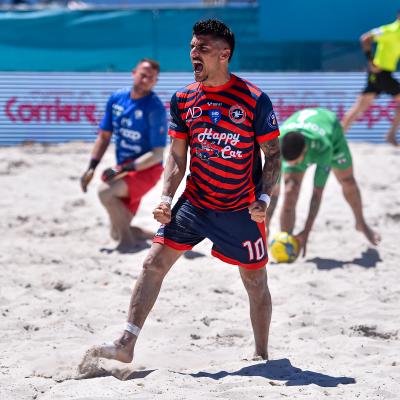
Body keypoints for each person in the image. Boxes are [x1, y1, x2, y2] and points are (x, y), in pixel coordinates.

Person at [79, 19, 281, 368]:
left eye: (202, 48)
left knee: (254, 280)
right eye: (191, 47)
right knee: (152, 263)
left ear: (224, 54)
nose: (193, 54)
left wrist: (263, 199)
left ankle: (261, 354)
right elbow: (176, 156)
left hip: (240, 208)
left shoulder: (253, 99)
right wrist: (165, 199)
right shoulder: (184, 99)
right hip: (195, 202)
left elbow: (274, 155)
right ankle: (126, 343)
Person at [266, 108, 380, 257]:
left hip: (331, 134)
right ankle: (287, 241)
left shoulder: (323, 147)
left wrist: (306, 231)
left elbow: (317, 193)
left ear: (305, 151)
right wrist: (265, 225)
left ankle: (361, 223)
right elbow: (274, 192)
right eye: (290, 163)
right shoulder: (277, 145)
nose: (293, 166)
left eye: (296, 162)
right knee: (290, 190)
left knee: (347, 181)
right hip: (298, 140)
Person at [80, 58, 168, 252]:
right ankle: (156, 236)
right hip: (125, 169)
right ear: (133, 73)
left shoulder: (155, 108)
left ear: (155, 82)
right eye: (143, 75)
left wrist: (121, 169)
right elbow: (104, 136)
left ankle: (127, 244)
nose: (146, 80)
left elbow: (157, 154)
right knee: (116, 231)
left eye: (151, 78)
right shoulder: (117, 98)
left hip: (147, 169)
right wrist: (91, 168)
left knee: (105, 191)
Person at [341, 12, 400, 146]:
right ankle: (391, 135)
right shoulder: (390, 30)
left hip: (382, 74)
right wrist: (370, 60)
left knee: (360, 106)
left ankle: (338, 136)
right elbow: (365, 38)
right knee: (359, 106)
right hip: (381, 73)